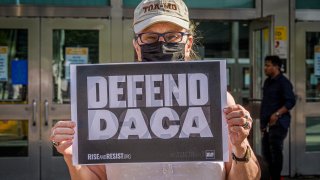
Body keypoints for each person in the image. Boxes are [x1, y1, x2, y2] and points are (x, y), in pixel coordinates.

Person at [50, 0, 261, 179]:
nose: (162, 45)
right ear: (136, 46)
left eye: (172, 37)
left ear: (188, 44)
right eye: (150, 38)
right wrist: (71, 156)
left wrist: (241, 146)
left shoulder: (219, 99)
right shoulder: (107, 100)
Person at [260, 55, 296, 180]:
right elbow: (266, 104)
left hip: (279, 123)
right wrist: (263, 125)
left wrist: (277, 114)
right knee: (266, 153)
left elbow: (290, 101)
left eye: (268, 65)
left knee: (275, 151)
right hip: (268, 125)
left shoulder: (283, 83)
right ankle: (271, 176)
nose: (265, 68)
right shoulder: (267, 82)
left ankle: (276, 177)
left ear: (276, 67)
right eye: (265, 65)